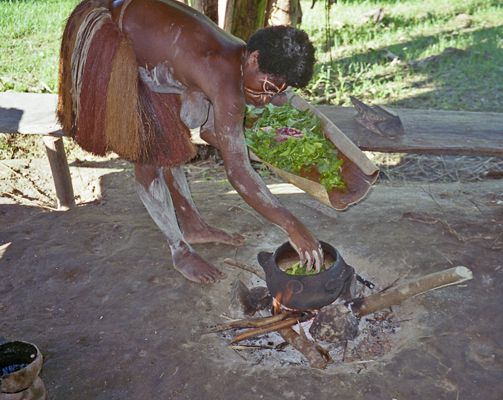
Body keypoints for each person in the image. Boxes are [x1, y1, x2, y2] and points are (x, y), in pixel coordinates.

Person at [57, 0, 324, 284]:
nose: (266, 98)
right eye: (269, 87)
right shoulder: (222, 75)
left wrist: (270, 149)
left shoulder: (239, 56)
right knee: (149, 149)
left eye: (277, 92)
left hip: (152, 41)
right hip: (114, 32)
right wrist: (292, 226)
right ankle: (178, 250)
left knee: (179, 126)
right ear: (254, 59)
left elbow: (211, 132)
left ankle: (192, 225)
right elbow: (238, 172)